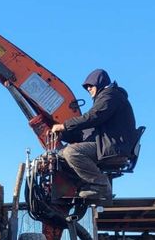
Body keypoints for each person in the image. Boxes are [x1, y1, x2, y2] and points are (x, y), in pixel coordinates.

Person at [50, 68, 137, 203]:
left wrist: (64, 126)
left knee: (72, 152)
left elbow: (93, 117)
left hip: (113, 147)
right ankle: (81, 185)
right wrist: (65, 135)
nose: (89, 89)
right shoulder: (108, 98)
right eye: (87, 87)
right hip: (104, 144)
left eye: (91, 85)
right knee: (58, 156)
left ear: (99, 83)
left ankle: (101, 185)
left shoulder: (110, 96)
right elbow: (89, 130)